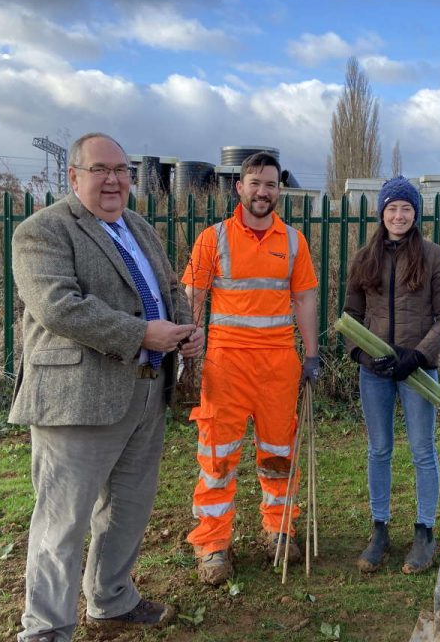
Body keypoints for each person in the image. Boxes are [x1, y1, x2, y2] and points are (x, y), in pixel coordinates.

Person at [9, 132, 204, 642]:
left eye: (122, 169)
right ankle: (46, 628)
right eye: (100, 169)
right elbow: (59, 306)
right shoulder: (42, 232)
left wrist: (184, 328)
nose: (114, 179)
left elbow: (168, 290)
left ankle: (111, 600)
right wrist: (142, 333)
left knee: (128, 509)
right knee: (63, 521)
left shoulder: (139, 227)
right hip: (77, 397)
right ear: (73, 177)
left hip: (144, 392)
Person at [182, 151, 319, 586]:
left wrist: (312, 356)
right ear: (239, 188)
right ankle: (213, 544)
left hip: (279, 365)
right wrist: (187, 356)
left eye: (271, 184)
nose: (263, 191)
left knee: (279, 455)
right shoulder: (212, 239)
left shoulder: (294, 242)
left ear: (280, 190)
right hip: (226, 366)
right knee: (217, 458)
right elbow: (192, 299)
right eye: (255, 183)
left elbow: (304, 300)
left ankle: (279, 530)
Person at [343, 176, 440, 574]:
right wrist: (362, 355)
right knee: (379, 450)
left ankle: (424, 532)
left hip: (418, 372)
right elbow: (350, 317)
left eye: (406, 208)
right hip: (375, 372)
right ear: (381, 213)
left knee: (423, 451)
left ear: (415, 213)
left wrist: (419, 355)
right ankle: (380, 529)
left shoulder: (433, 256)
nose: (399, 215)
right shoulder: (363, 259)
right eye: (392, 208)